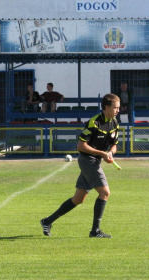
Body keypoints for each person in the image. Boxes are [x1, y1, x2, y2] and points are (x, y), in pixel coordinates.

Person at [40, 93, 120, 238]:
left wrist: (110, 153)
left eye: (118, 108)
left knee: (79, 198)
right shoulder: (94, 123)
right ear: (106, 107)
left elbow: (114, 144)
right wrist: (102, 153)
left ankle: (47, 221)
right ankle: (95, 231)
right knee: (105, 193)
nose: (118, 110)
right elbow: (81, 146)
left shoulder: (114, 122)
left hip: (95, 160)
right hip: (87, 160)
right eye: (115, 107)